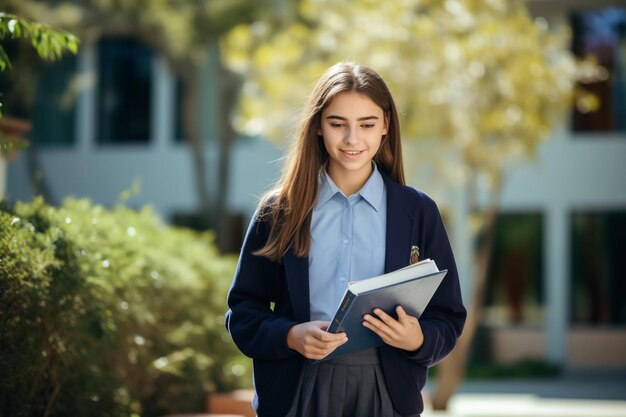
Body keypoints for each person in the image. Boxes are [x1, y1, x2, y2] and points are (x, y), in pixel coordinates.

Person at [225, 62, 466, 417]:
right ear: (318, 127)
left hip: (387, 390)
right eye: (338, 124)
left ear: (385, 125)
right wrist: (290, 335)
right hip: (297, 388)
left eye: (366, 125)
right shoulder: (279, 211)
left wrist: (418, 340)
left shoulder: (418, 211)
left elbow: (447, 316)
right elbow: (243, 312)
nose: (352, 139)